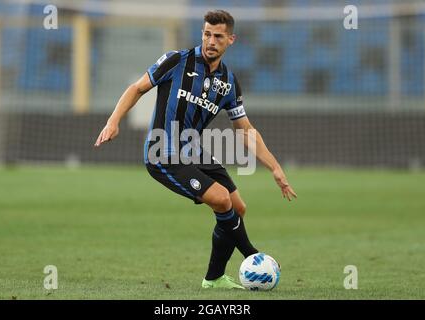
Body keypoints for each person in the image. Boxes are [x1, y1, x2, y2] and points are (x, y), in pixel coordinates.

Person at [94, 10, 297, 289]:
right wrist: (113, 121)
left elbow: (246, 130)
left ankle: (213, 278)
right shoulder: (176, 61)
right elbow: (137, 88)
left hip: (193, 150)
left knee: (237, 207)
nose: (211, 41)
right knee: (222, 199)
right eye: (206, 34)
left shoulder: (228, 82)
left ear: (230, 40)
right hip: (162, 152)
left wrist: (275, 167)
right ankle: (254, 256)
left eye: (218, 36)